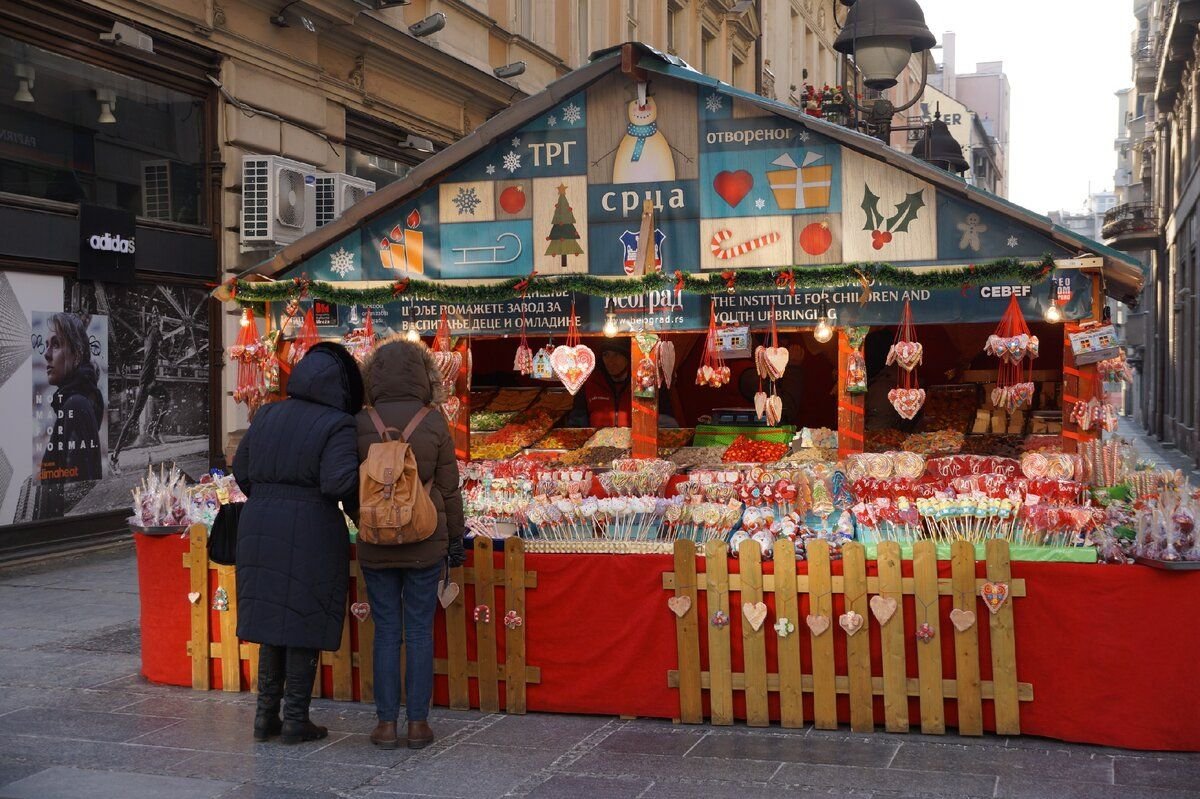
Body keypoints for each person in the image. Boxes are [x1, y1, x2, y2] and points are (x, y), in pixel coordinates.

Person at [233, 342, 363, 745]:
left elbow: (241, 468)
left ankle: (263, 716)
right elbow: (338, 482)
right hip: (311, 528)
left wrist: (269, 496)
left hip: (259, 524)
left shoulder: (269, 413)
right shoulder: (337, 424)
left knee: (273, 621)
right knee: (303, 619)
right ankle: (295, 719)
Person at [355, 337, 465, 750]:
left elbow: (353, 486)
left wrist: (364, 519)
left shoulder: (361, 420)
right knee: (418, 630)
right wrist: (455, 537)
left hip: (375, 544)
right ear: (424, 375)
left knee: (386, 631)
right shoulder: (434, 421)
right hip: (424, 538)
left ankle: (385, 725)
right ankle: (418, 724)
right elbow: (450, 491)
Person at [41, 312, 104, 482]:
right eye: (46, 345)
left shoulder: (75, 405)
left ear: (76, 355)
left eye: (56, 345)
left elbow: (76, 495)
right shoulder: (76, 403)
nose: (46, 354)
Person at [579, 341, 632, 427]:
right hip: (595, 439)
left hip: (633, 439)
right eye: (606, 355)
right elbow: (577, 423)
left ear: (627, 358)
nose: (610, 361)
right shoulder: (590, 383)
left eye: (617, 354)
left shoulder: (642, 383)